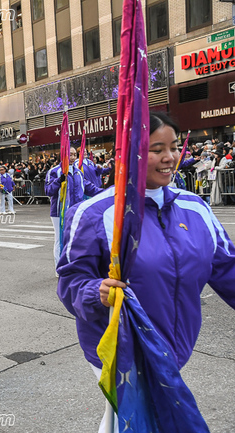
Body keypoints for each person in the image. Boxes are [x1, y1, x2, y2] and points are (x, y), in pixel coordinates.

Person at [57, 112, 235, 432]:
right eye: (157, 149)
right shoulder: (93, 213)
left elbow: (227, 268)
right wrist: (95, 292)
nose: (170, 157)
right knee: (141, 422)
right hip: (121, 351)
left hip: (174, 348)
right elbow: (70, 282)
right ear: (131, 153)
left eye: (174, 147)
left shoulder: (196, 208)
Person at [45, 147, 102, 266]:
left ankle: (72, 266)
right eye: (69, 154)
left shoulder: (78, 172)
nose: (72, 157)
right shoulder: (54, 171)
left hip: (75, 212)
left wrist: (108, 192)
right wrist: (59, 181)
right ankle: (59, 268)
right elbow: (48, 190)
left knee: (75, 239)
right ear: (63, 155)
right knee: (60, 239)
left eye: (74, 155)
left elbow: (90, 188)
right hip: (59, 212)